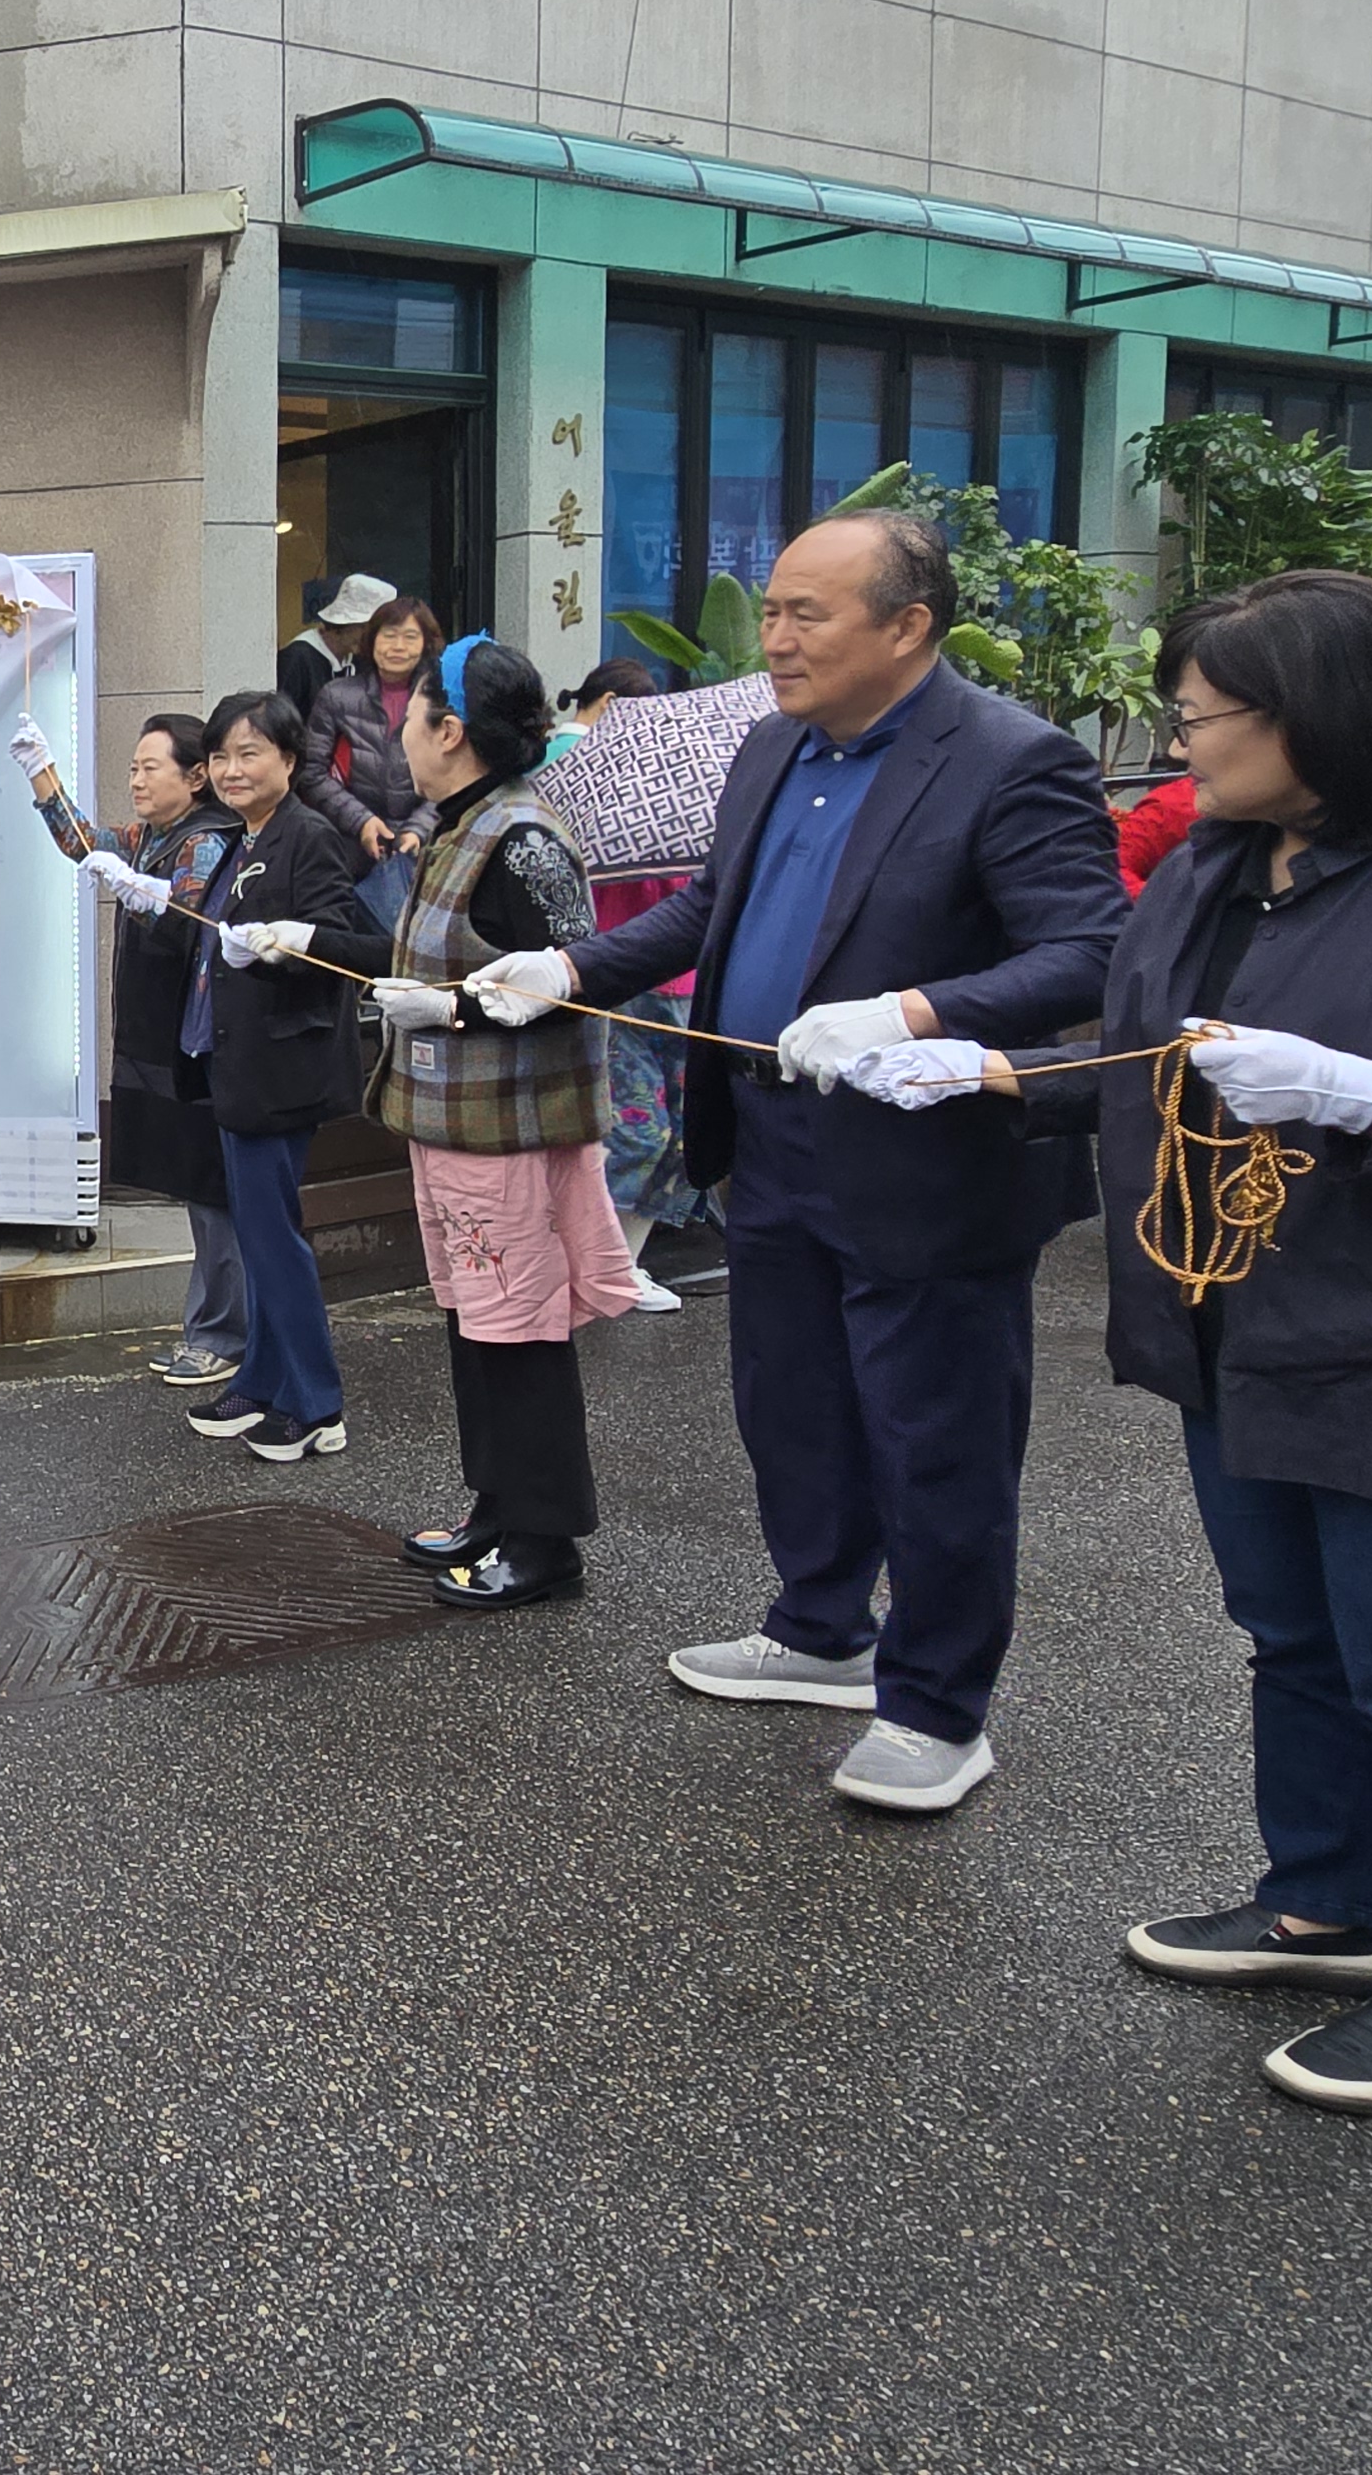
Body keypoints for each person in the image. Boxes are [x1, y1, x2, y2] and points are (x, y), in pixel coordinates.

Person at [849, 572, 1372, 2111]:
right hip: (1237, 1323)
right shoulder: (1211, 869)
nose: (1182, 735)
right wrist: (990, 1073)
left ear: (1328, 718)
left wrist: (1358, 1095)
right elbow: (1147, 1056)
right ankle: (1324, 1899)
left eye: (1210, 711)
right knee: (1294, 1638)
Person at [491, 511, 1124, 1812]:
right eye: (771, 610)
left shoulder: (1012, 761)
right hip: (772, 1139)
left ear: (908, 625)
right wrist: (567, 967)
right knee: (793, 1409)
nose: (774, 639)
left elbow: (1089, 953)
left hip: (925, 1159)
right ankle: (822, 1627)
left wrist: (912, 1012)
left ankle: (938, 1707)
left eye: (806, 615)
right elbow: (708, 906)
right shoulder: (772, 744)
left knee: (935, 1436)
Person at [269, 640, 627, 1607]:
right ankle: (497, 1507)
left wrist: (456, 1010)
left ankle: (545, 1541)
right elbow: (421, 957)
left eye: (412, 718)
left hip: (510, 1131)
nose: (400, 737)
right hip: (455, 1127)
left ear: (452, 731)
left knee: (518, 1327)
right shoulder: (459, 821)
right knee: (476, 1320)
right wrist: (315, 945)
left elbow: (580, 983)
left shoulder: (524, 837)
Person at [16, 707, 246, 1392]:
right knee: (197, 1188)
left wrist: (147, 896)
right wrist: (41, 772)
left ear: (196, 776)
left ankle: (222, 1335)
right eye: (132, 768)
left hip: (199, 1044)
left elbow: (187, 916)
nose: (137, 781)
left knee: (213, 1191)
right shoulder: (152, 836)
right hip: (161, 1036)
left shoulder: (205, 841)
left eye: (150, 767)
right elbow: (84, 842)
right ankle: (212, 1328)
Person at [186, 688, 378, 1461]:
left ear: (291, 761)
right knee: (258, 1235)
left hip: (283, 1069)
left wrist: (293, 942)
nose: (231, 770)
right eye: (220, 756)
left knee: (273, 1240)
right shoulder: (247, 836)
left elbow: (358, 948)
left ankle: (316, 1402)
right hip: (241, 1064)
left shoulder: (308, 836)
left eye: (249, 753)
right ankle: (263, 1380)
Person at [553, 657, 706, 1317]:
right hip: (623, 984)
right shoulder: (581, 774)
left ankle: (627, 1263)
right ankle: (600, 1267)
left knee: (685, 1138)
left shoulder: (691, 787)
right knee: (637, 1134)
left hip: (689, 987)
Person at [299, 594, 443, 919]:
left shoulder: (440, 700)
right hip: (347, 846)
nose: (398, 647)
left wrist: (418, 829)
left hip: (422, 850)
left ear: (426, 643)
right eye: (388, 635)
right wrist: (361, 820)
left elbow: (454, 776)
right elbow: (312, 772)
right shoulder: (337, 696)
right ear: (371, 639)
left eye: (410, 637)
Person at [276, 569, 399, 720]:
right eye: (366, 629)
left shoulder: (359, 660)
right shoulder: (297, 659)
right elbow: (277, 722)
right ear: (347, 624)